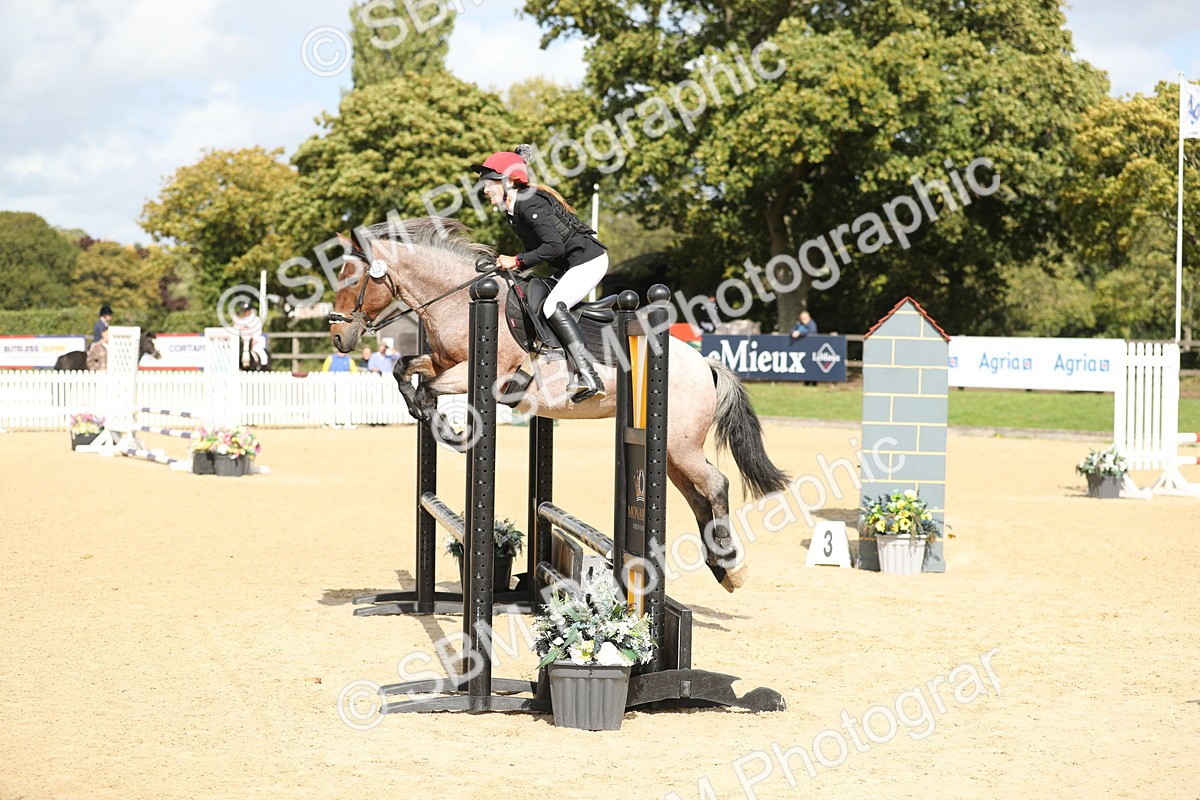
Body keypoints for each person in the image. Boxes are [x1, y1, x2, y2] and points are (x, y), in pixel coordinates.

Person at [471, 145, 609, 403]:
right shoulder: (514, 209)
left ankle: (589, 375)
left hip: (588, 261)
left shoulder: (528, 202)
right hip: (571, 265)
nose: (486, 190)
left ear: (509, 181)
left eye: (490, 184)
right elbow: (539, 250)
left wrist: (516, 260)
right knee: (532, 301)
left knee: (553, 307)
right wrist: (512, 265)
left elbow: (553, 246)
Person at [231, 302, 270, 367]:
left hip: (253, 341)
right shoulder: (240, 320)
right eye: (244, 311)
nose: (245, 312)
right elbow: (235, 329)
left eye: (246, 310)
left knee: (262, 354)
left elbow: (257, 331)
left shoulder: (256, 320)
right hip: (241, 341)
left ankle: (263, 365)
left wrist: (254, 339)